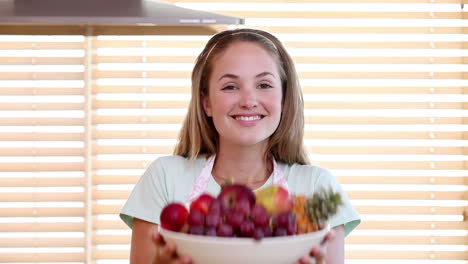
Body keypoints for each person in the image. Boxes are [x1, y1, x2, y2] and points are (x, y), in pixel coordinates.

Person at [120, 28, 361, 264]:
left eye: (264, 85)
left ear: (284, 100)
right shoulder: (165, 177)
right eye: (230, 86)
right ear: (207, 104)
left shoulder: (316, 187)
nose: (248, 101)